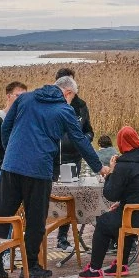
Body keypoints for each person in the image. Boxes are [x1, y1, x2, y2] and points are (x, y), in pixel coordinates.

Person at [0, 76, 110, 278]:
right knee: (36, 220)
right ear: (68, 93)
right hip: (38, 170)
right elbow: (80, 140)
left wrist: (11, 151)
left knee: (3, 215)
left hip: (10, 166)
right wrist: (99, 167)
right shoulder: (64, 110)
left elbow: (5, 127)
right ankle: (30, 267)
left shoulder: (25, 99)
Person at [78, 126, 139, 278]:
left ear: (121, 144)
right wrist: (122, 205)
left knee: (103, 222)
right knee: (123, 214)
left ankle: (94, 269)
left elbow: (110, 194)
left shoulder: (123, 165)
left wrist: (111, 171)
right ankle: (121, 265)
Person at [55, 67, 94, 251]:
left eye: (71, 82)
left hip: (73, 160)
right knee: (50, 197)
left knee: (69, 198)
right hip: (53, 159)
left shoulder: (81, 105)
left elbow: (89, 130)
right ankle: (43, 234)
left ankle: (63, 238)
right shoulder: (50, 105)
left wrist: (84, 141)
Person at [0, 81, 27, 188]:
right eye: (18, 96)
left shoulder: (22, 119)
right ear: (8, 96)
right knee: (5, 204)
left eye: (25, 96)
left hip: (21, 172)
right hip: (3, 173)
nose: (22, 99)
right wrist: (3, 166)